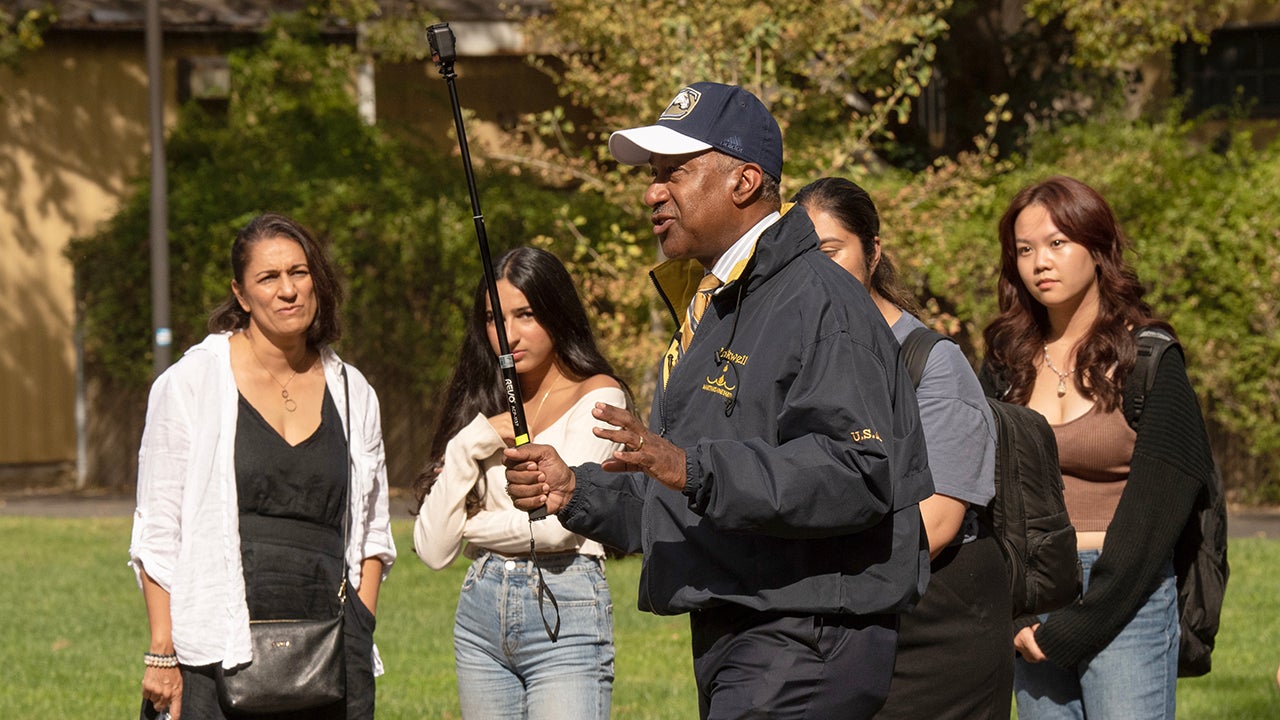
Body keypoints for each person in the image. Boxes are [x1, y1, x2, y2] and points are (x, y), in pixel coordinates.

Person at [505, 82, 934, 719]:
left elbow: (858, 472)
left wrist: (692, 468)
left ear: (745, 181)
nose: (653, 192)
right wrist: (577, 492)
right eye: (651, 176)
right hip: (738, 627)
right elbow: (691, 490)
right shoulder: (714, 306)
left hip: (807, 636)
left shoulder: (819, 300)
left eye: (674, 172)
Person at [130, 213, 397, 720]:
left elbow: (372, 529)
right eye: (268, 278)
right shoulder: (190, 383)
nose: (288, 290)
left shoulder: (353, 390)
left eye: (299, 272)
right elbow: (158, 531)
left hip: (328, 649)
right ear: (241, 293)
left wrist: (360, 622)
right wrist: (162, 651)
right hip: (214, 648)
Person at [980, 176, 1212, 719]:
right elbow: (983, 494)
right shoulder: (1004, 362)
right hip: (1032, 601)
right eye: (1025, 249)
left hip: (1127, 597)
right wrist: (1016, 613)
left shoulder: (1149, 359)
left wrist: (1085, 621)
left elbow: (1159, 512)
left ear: (1097, 246)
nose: (1041, 261)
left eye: (1058, 243)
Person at [792, 177, 1012, 719]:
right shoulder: (795, 361)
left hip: (940, 625)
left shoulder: (932, 363)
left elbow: (935, 525)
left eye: (829, 250)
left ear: (873, 251)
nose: (814, 269)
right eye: (799, 254)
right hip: (839, 625)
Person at [412, 246, 627, 720]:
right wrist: (469, 443)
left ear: (556, 311)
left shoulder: (600, 397)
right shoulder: (484, 405)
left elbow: (556, 528)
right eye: (493, 319)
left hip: (565, 602)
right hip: (479, 614)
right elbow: (430, 551)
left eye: (525, 314)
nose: (506, 334)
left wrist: (472, 527)